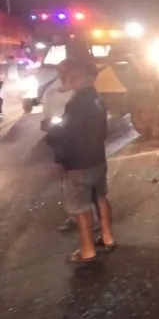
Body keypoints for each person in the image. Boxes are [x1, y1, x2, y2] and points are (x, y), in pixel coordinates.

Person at [47, 59, 116, 263]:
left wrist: (54, 142)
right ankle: (107, 236)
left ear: (89, 78)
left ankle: (87, 250)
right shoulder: (97, 99)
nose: (71, 80)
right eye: (70, 76)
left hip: (78, 163)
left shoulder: (77, 104)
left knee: (81, 206)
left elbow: (65, 133)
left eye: (76, 76)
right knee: (100, 197)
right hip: (96, 159)